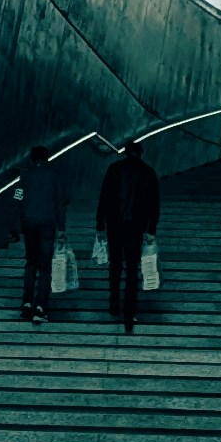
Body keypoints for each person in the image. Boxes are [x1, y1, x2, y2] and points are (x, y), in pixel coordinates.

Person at [94, 134, 161, 332]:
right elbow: (154, 204)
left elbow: (104, 197)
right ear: (140, 154)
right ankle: (129, 313)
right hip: (136, 227)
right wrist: (151, 230)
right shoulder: (148, 172)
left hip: (115, 225)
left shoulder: (114, 170)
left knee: (115, 264)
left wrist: (100, 224)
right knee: (132, 269)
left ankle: (114, 300)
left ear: (125, 152)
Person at [16, 142, 63, 321]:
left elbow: (17, 197)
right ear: (47, 158)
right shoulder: (55, 175)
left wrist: (14, 225)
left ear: (31, 158)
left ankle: (27, 302)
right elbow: (62, 200)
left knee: (31, 262)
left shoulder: (24, 176)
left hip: (28, 224)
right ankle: (40, 307)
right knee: (45, 266)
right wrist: (62, 227)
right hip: (47, 224)